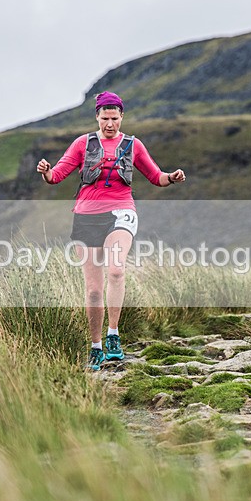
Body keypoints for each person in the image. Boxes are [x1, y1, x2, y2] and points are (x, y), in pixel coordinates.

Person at [35, 91, 186, 370]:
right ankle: (95, 347)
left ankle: (113, 335)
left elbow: (156, 176)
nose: (109, 124)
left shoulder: (132, 145)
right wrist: (45, 171)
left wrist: (172, 177)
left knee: (116, 270)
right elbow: (56, 177)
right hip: (86, 216)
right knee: (93, 291)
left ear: (121, 117)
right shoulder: (83, 144)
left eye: (114, 119)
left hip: (121, 211)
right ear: (97, 116)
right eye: (105, 118)